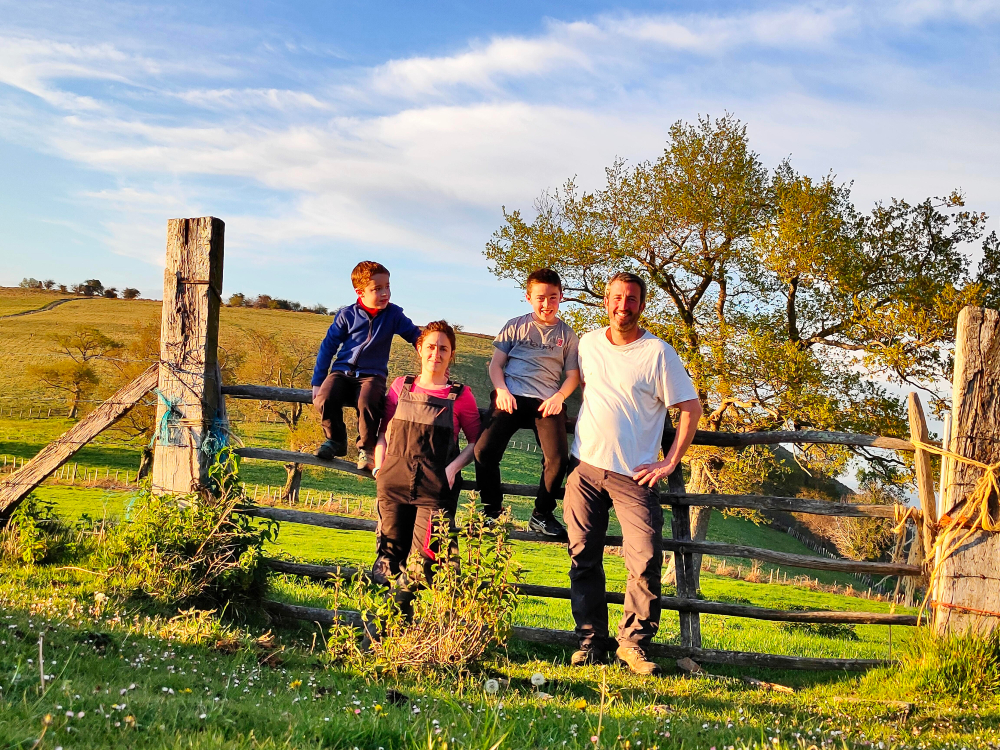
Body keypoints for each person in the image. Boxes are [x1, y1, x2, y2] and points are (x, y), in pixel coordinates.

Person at [565, 272, 702, 676]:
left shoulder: (658, 353)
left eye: (631, 299)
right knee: (583, 558)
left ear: (641, 305)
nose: (622, 305)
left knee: (643, 559)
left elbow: (690, 409)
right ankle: (590, 641)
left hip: (634, 475)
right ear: (605, 300)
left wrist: (670, 461)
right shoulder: (587, 343)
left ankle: (632, 645)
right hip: (585, 468)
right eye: (616, 297)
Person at [371, 320, 481, 611]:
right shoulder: (400, 386)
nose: (436, 353)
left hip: (435, 489)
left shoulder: (461, 395)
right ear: (420, 349)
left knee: (423, 563)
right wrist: (379, 467)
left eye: (443, 348)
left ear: (451, 354)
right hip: (393, 483)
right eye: (430, 346)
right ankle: (393, 629)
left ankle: (385, 626)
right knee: (387, 559)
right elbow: (382, 432)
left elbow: (475, 442)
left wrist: (453, 468)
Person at [473, 268, 580, 538]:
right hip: (511, 396)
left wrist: (560, 397)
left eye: (553, 297)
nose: (547, 304)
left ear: (561, 297)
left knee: (557, 460)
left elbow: (572, 376)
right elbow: (496, 365)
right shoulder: (515, 326)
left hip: (546, 402)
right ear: (529, 297)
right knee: (484, 451)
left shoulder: (567, 335)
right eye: (540, 298)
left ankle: (542, 515)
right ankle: (491, 512)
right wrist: (501, 391)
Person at [311, 261, 421, 471]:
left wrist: (429, 353)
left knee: (368, 401)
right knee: (325, 397)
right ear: (360, 292)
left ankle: (366, 448)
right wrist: (318, 380)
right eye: (377, 289)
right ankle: (336, 440)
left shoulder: (394, 315)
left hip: (372, 374)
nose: (385, 293)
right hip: (342, 372)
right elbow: (328, 346)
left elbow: (416, 336)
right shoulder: (347, 315)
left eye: (387, 286)